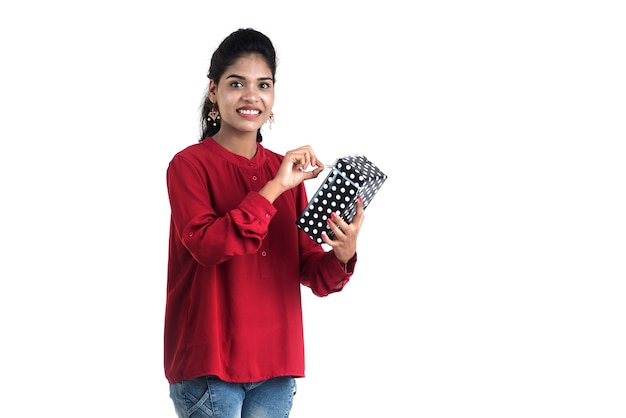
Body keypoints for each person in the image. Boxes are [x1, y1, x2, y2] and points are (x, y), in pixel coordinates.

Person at [164, 28, 365, 418]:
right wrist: (274, 188)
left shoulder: (282, 170)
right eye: (236, 83)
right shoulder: (188, 166)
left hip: (277, 366)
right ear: (213, 91)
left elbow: (308, 267)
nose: (251, 95)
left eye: (263, 85)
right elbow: (208, 246)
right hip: (211, 365)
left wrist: (343, 253)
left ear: (273, 97)